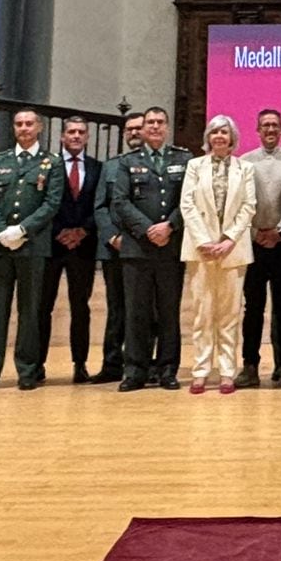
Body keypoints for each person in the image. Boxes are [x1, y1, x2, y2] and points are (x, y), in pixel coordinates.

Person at [0, 108, 64, 392]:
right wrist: (1, 231)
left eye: (29, 123)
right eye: (19, 124)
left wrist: (23, 230)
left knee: (30, 312)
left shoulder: (51, 162)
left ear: (39, 127)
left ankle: (27, 370)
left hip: (33, 247)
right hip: (1, 247)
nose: (24, 128)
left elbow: (51, 204)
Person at [111, 106, 191, 391]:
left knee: (169, 311)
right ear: (142, 129)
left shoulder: (183, 158)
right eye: (150, 123)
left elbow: (189, 200)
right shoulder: (127, 162)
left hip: (170, 246)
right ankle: (135, 371)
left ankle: (168, 369)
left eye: (160, 122)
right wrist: (148, 229)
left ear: (167, 127)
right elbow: (119, 201)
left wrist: (168, 226)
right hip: (138, 248)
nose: (155, 127)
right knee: (137, 311)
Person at [181, 115, 255, 393]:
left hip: (232, 251)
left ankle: (226, 371)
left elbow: (249, 206)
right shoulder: (194, 166)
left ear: (232, 137)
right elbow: (187, 204)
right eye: (215, 132)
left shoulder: (244, 168)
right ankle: (200, 370)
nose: (220, 136)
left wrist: (227, 240)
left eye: (224, 132)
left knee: (229, 315)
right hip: (200, 250)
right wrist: (204, 241)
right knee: (202, 313)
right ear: (208, 138)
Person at [40, 114, 103, 382]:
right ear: (62, 137)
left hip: (84, 246)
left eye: (81, 132)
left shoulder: (97, 168)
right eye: (71, 132)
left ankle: (80, 363)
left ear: (87, 137)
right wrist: (59, 232)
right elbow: (42, 202)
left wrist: (82, 231)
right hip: (52, 245)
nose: (76, 136)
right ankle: (37, 364)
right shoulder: (48, 165)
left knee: (81, 307)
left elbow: (100, 204)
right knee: (43, 306)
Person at [239, 107, 281, 388]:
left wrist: (279, 230)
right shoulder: (244, 162)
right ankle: (249, 365)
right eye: (266, 126)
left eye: (275, 125)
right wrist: (255, 232)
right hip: (253, 245)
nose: (271, 130)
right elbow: (238, 205)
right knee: (253, 308)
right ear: (257, 129)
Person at [91, 111, 146, 386]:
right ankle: (112, 364)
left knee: (147, 309)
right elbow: (100, 206)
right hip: (115, 248)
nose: (135, 133)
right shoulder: (111, 166)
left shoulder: (154, 164)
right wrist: (112, 236)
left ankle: (146, 364)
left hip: (145, 248)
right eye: (130, 130)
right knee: (116, 310)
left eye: (139, 128)